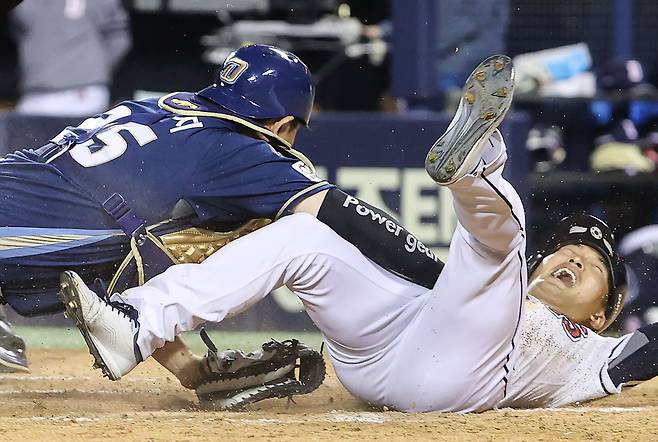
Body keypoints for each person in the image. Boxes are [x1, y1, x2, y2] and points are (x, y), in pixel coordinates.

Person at [62, 54, 654, 412]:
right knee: (304, 239)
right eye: (568, 252)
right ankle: (139, 322)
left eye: (591, 266)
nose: (570, 261)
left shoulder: (594, 352)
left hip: (468, 373)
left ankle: (476, 166)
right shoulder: (506, 291)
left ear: (603, 312)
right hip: (379, 355)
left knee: (505, 237)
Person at [0, 44, 442, 378]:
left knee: (140, 235)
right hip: (14, 225)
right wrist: (445, 280)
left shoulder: (162, 107)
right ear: (285, 124)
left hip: (14, 193)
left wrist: (191, 370)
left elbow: (127, 247)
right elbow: (342, 214)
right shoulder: (239, 149)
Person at [10, 0, 132, 117]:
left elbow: (118, 37)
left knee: (79, 137)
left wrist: (94, 71)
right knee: (20, 134)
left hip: (82, 92)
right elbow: (18, 31)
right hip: (34, 93)